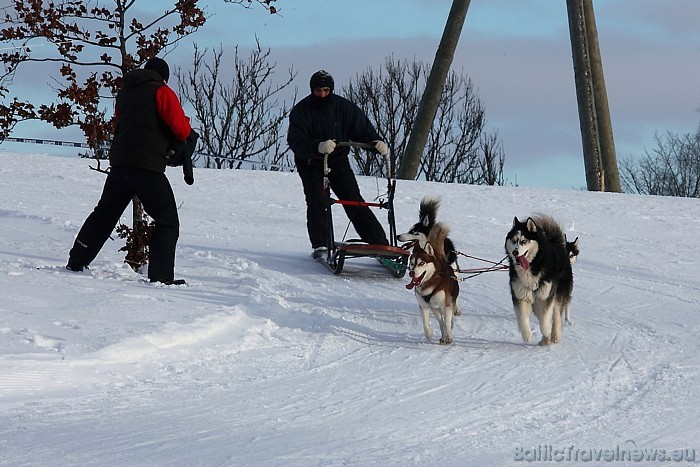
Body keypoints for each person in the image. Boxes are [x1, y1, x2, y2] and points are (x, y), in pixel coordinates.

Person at [66, 57, 197, 285]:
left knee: (105, 213)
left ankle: (76, 260)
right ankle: (161, 278)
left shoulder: (125, 93)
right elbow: (180, 128)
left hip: (120, 163)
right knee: (167, 221)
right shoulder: (162, 91)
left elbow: (121, 122)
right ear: (163, 76)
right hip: (145, 166)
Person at [287, 70, 390, 259]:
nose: (322, 94)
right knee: (317, 201)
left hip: (337, 161)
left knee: (354, 201)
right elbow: (296, 141)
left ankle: (380, 244)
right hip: (311, 162)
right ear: (312, 90)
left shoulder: (344, 108)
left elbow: (361, 128)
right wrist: (317, 146)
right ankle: (320, 243)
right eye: (318, 90)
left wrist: (375, 142)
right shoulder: (301, 111)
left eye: (326, 90)